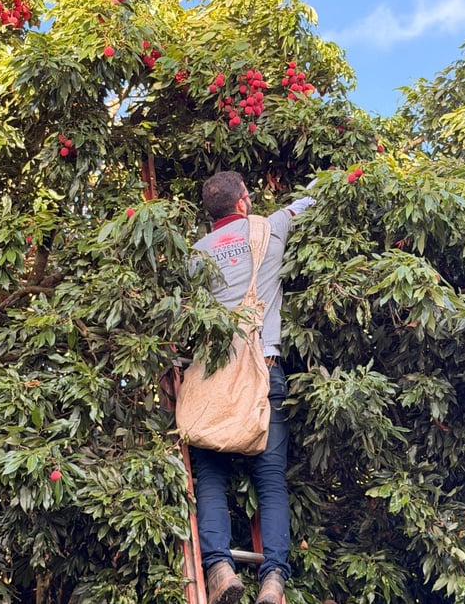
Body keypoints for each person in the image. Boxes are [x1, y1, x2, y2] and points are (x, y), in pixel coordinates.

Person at [190, 170, 315, 604]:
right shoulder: (268, 229)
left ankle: (220, 569)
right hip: (264, 368)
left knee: (210, 475)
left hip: (215, 374)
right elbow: (311, 201)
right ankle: (273, 580)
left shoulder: (197, 253)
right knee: (270, 480)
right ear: (243, 201)